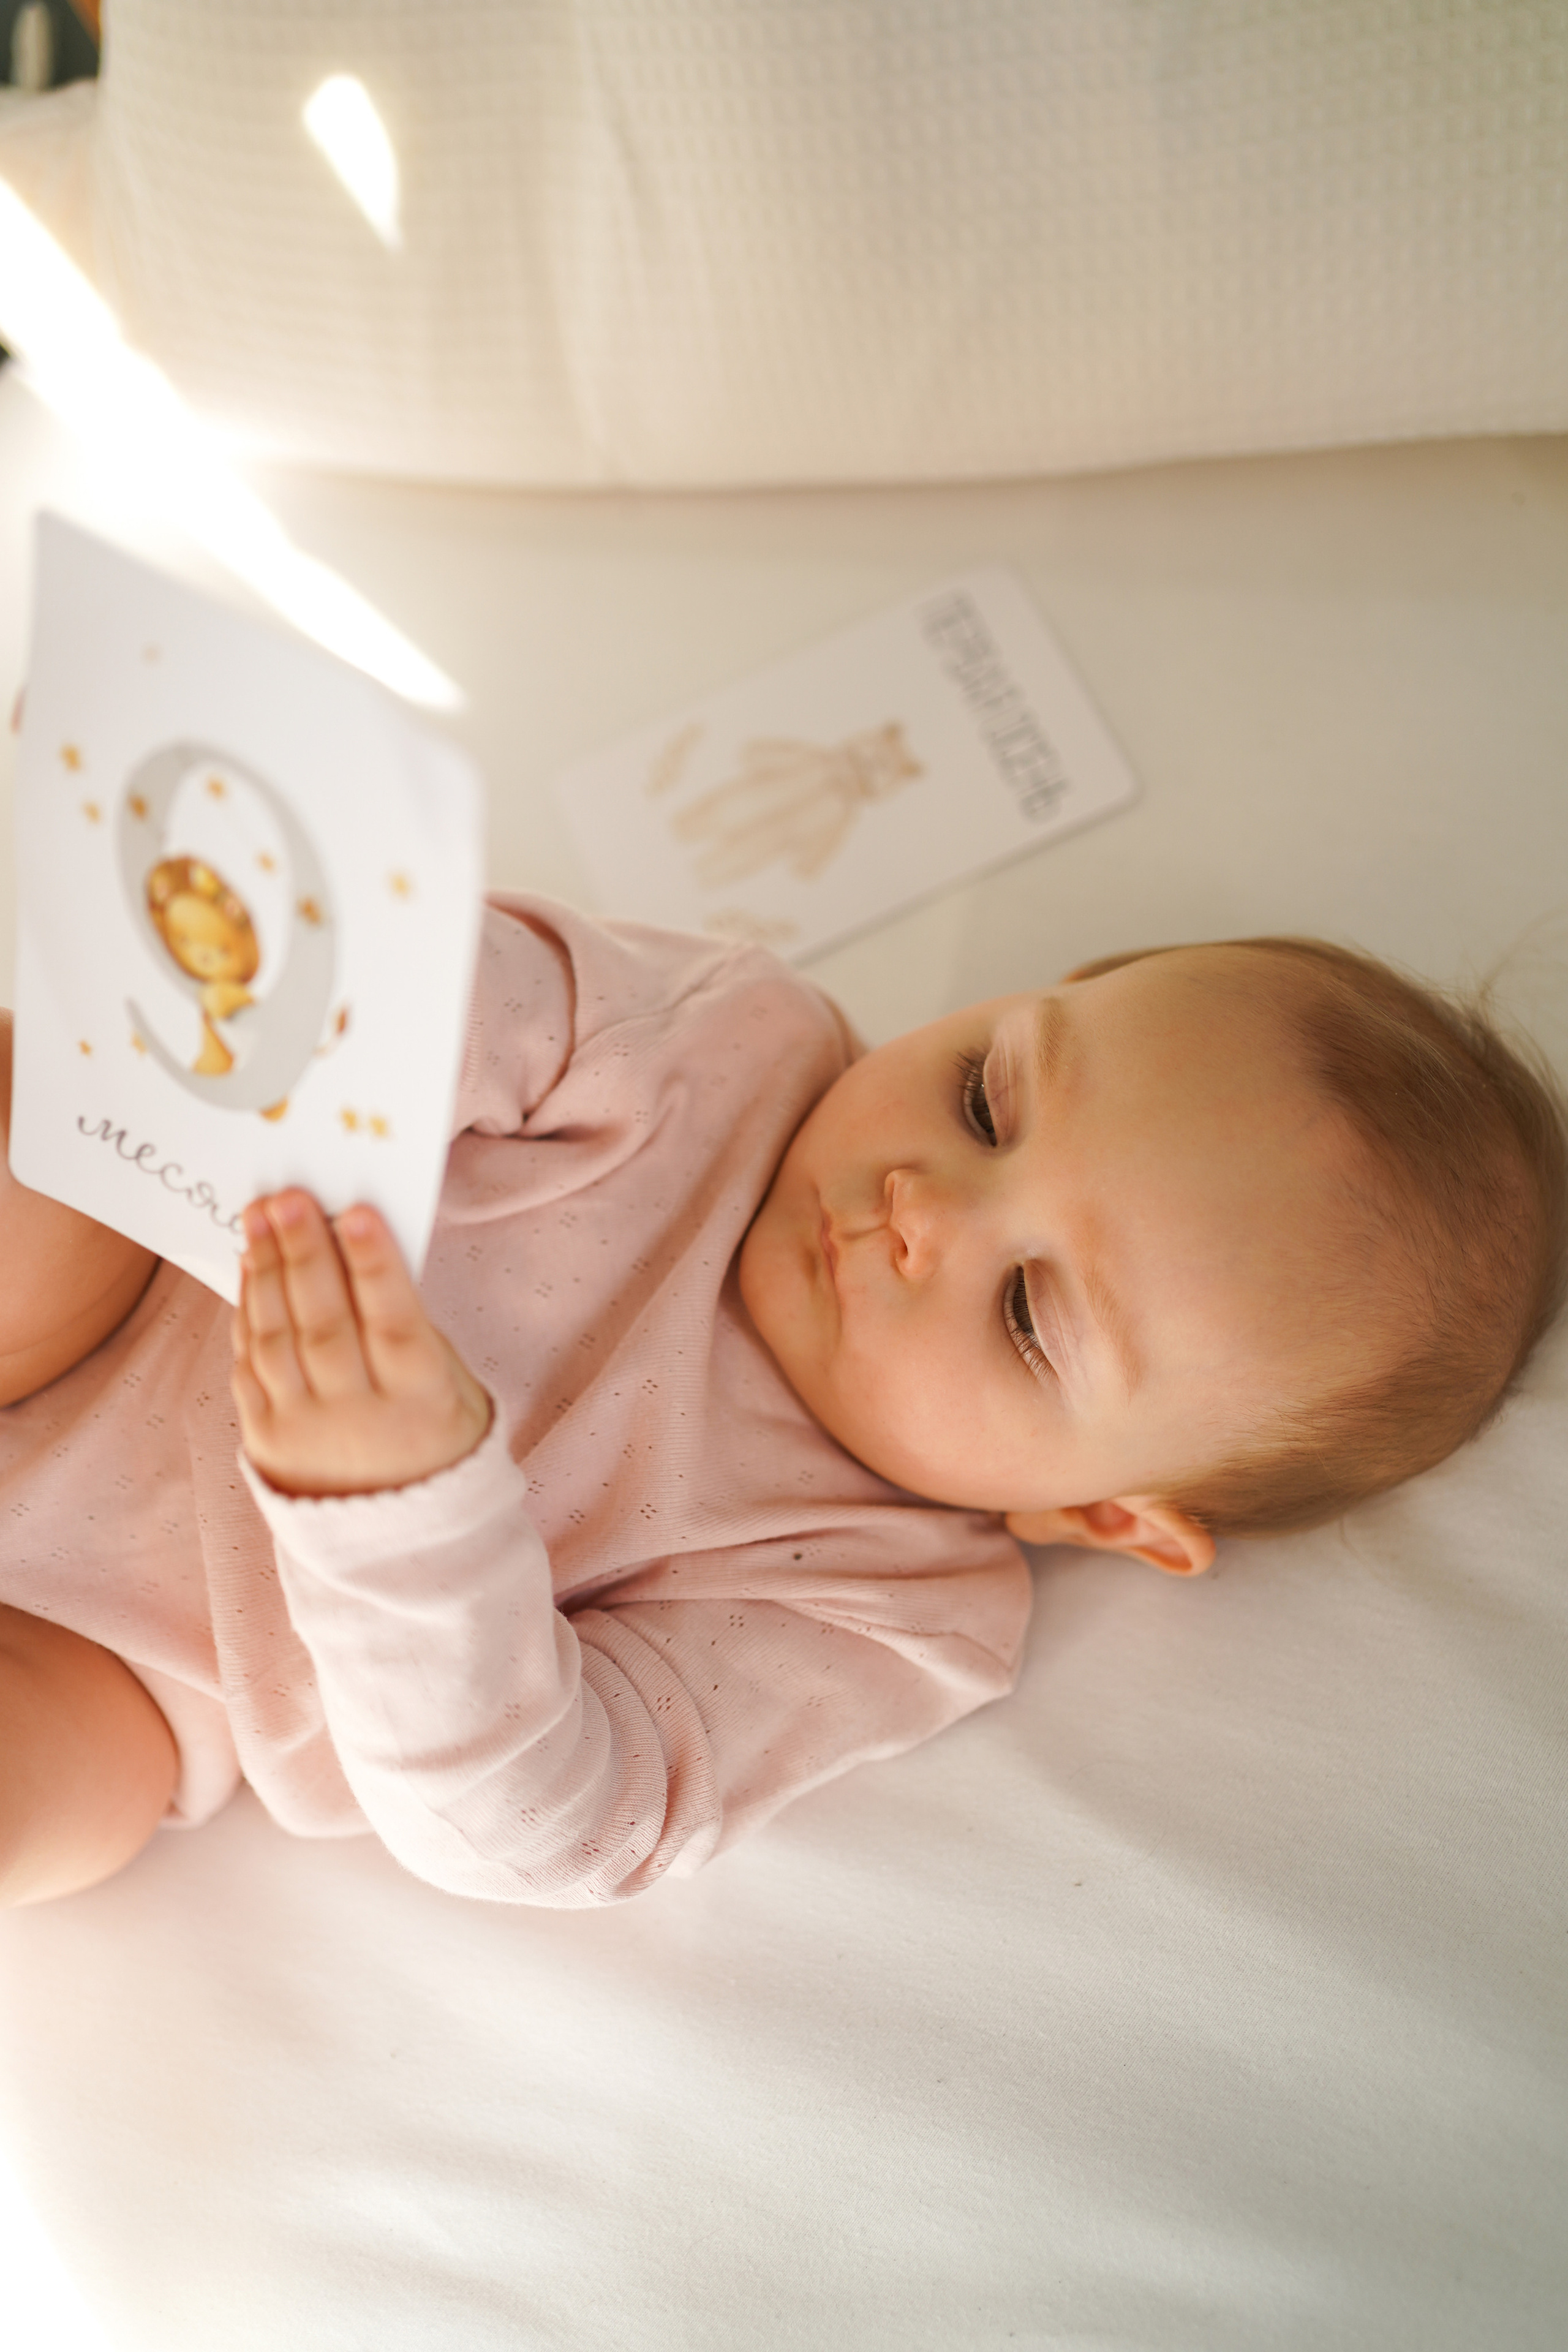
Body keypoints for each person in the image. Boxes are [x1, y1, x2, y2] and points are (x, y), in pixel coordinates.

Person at [1, 898, 1563, 1909]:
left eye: (1024, 1310)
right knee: (42, 1110)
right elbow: (417, 980)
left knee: (53, 1801)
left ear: (1095, 1512)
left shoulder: (888, 1612)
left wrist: (404, 1519)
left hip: (151, 1662)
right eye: (985, 1098)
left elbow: (553, 1822)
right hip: (132, 1273)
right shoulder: (720, 1038)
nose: (923, 1209)